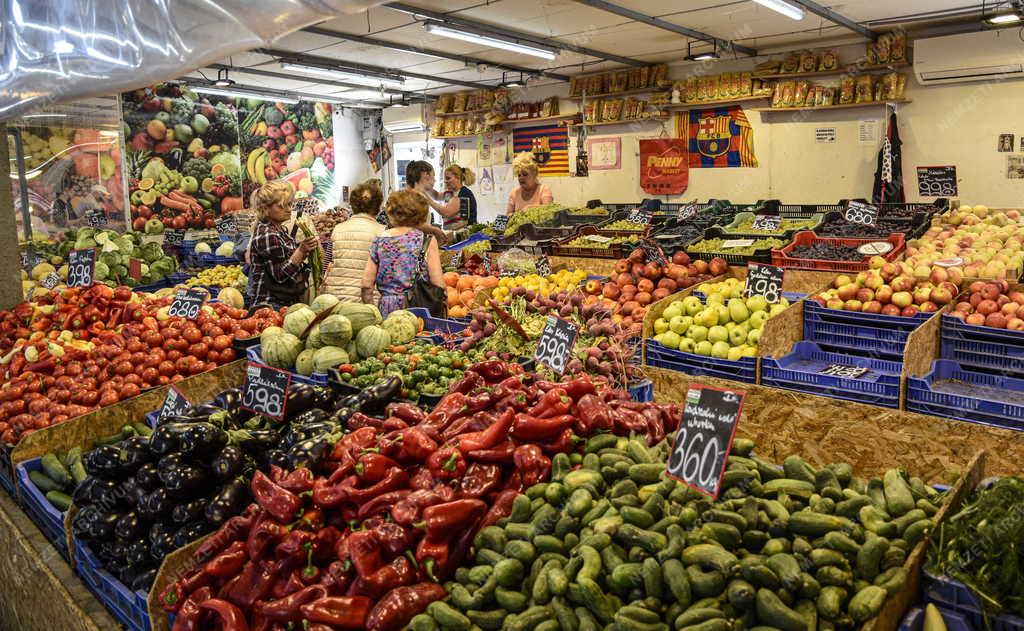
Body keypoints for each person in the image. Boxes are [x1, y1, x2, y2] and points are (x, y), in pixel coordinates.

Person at [361, 190, 444, 317]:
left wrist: (374, 314)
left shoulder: (379, 240)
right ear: (420, 215)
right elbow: (438, 284)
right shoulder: (426, 240)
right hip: (419, 310)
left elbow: (366, 286)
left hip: (387, 310)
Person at [246, 181, 319, 309]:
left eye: (289, 204)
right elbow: (280, 275)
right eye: (282, 206)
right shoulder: (267, 234)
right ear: (266, 208)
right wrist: (301, 251)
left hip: (282, 303)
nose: (289, 209)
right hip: (269, 306)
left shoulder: (279, 229)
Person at [323, 179, 385, 302]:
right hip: (368, 302)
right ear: (378, 207)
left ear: (353, 205)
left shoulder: (337, 229)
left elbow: (326, 266)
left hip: (336, 300)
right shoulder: (383, 233)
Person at [402, 160, 451, 244]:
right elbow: (413, 225)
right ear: (426, 175)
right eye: (433, 175)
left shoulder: (420, 195)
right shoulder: (415, 196)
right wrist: (434, 230)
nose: (435, 180)